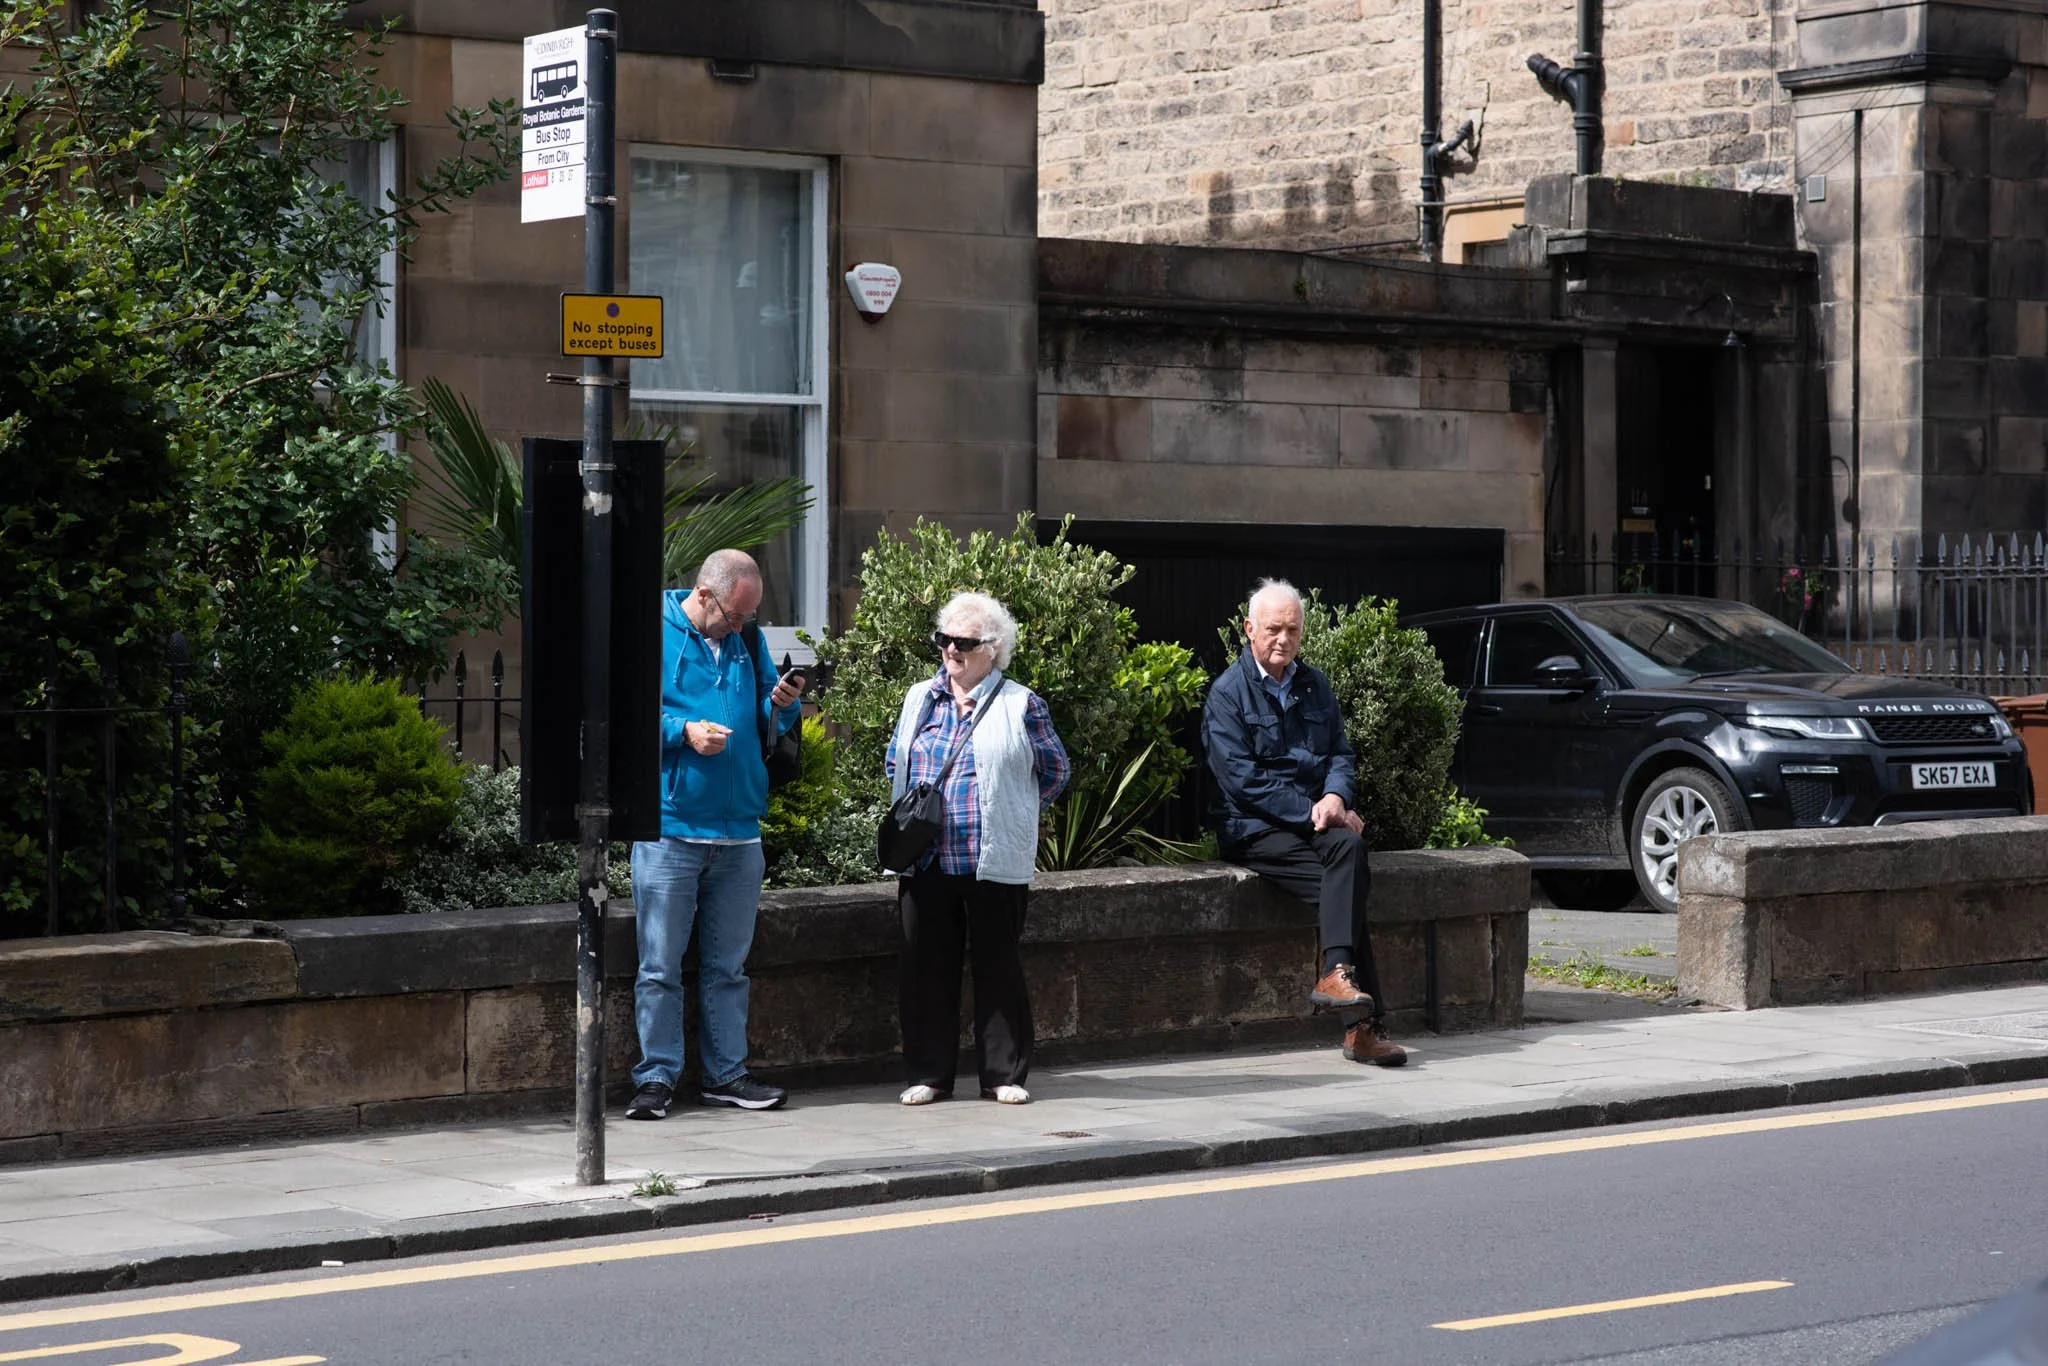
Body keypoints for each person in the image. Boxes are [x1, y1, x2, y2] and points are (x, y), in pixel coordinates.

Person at [625, 549, 804, 1120]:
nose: (740, 627)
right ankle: (656, 1079)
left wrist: (782, 704)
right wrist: (683, 731)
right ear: (703, 595)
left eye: (748, 618)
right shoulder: (649, 630)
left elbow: (769, 722)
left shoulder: (746, 641)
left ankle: (726, 1075)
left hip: (739, 832)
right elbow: (618, 715)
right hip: (671, 828)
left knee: (728, 968)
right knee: (659, 966)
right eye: (733, 616)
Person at [1201, 578, 1407, 1067]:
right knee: (1348, 884)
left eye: (1292, 630)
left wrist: (1335, 796)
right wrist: (1313, 810)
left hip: (1310, 823)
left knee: (1349, 858)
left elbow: (1340, 752)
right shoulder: (1227, 695)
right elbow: (1242, 781)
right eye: (1273, 629)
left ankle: (1337, 974)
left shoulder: (1315, 684)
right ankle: (1363, 1031)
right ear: (1249, 629)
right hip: (1254, 829)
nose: (1283, 640)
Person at [884, 591, 1070, 1106]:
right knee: (925, 968)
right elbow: (893, 758)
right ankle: (929, 1074)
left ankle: (1002, 1074)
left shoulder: (1021, 703)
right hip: (925, 858)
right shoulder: (919, 697)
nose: (951, 650)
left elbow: (1055, 771)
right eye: (944, 639)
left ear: (994, 647)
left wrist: (1015, 811)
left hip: (992, 858)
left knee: (998, 966)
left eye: (964, 642)